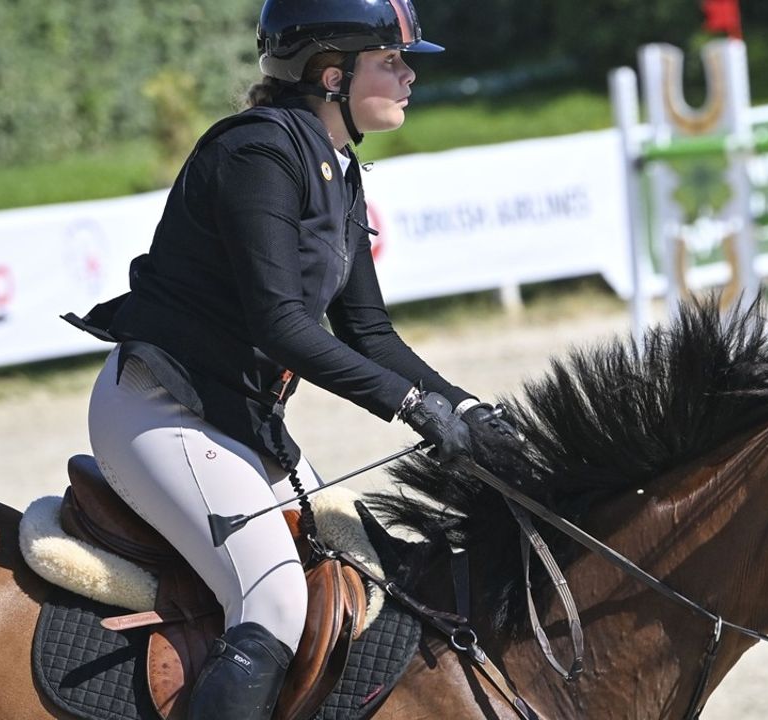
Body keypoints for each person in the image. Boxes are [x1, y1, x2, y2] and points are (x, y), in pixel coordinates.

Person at [63, 0, 519, 717]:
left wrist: (463, 406)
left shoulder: (337, 167)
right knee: (272, 601)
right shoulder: (258, 154)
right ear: (330, 75)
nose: (408, 78)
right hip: (162, 411)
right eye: (391, 61)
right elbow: (280, 326)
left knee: (346, 576)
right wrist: (407, 406)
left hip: (238, 421)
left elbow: (368, 332)